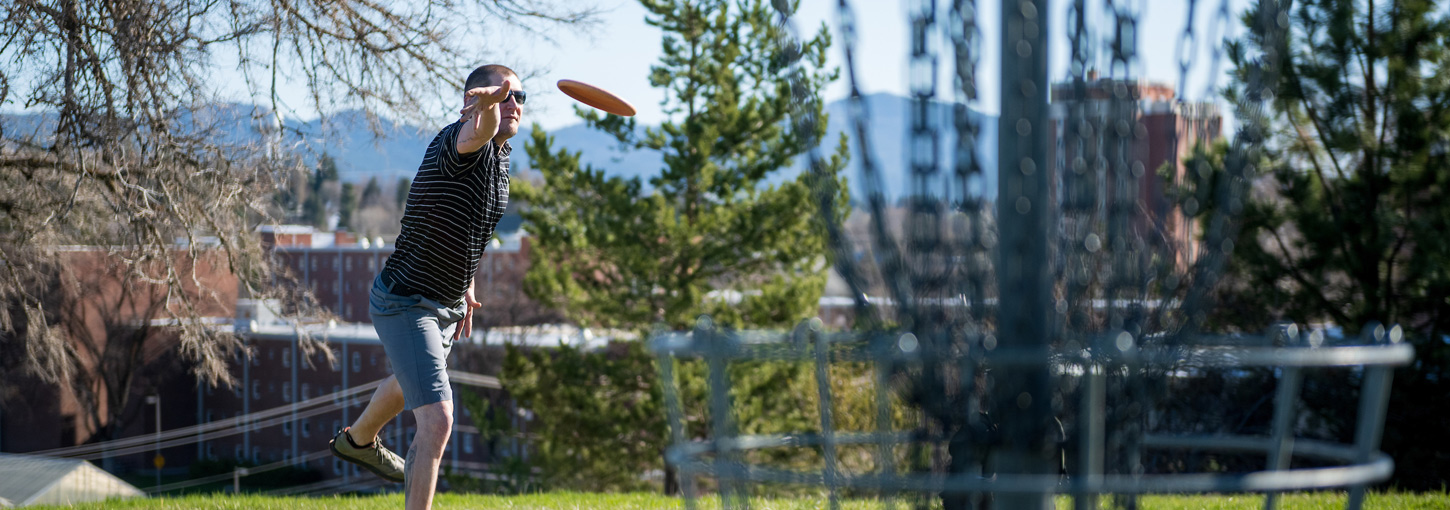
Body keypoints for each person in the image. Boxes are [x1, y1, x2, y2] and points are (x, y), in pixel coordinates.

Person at [328, 64, 524, 509]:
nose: (514, 104)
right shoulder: (460, 143)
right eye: (505, 95)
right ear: (473, 103)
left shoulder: (501, 158)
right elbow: (482, 128)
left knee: (408, 382)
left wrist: (467, 283)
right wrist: (489, 107)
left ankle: (357, 442)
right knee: (437, 419)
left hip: (448, 304)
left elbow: (465, 221)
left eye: (520, 97)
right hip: (406, 301)